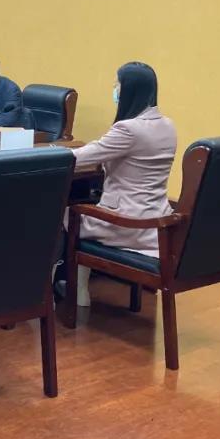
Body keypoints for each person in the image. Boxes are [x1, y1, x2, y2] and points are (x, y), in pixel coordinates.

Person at [65, 62, 176, 305]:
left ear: (129, 90)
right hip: (156, 223)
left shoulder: (129, 129)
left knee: (64, 214)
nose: (114, 90)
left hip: (126, 223)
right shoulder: (168, 126)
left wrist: (50, 154)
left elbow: (82, 157)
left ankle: (72, 288)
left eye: (117, 85)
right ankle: (78, 287)